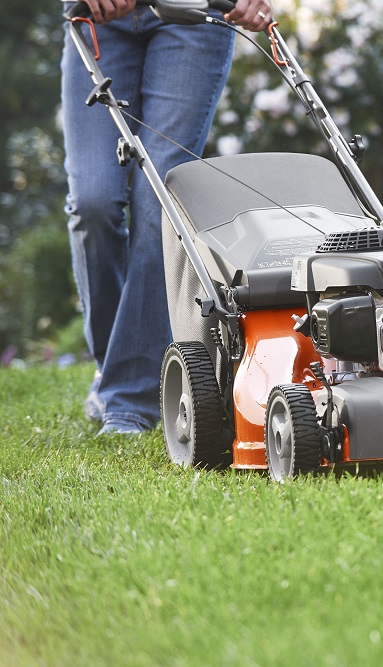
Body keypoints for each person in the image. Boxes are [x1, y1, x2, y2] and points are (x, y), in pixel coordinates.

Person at [61, 0, 273, 434]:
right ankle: (114, 369)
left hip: (193, 18)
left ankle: (130, 398)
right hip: (101, 18)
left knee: (158, 201)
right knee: (92, 202)